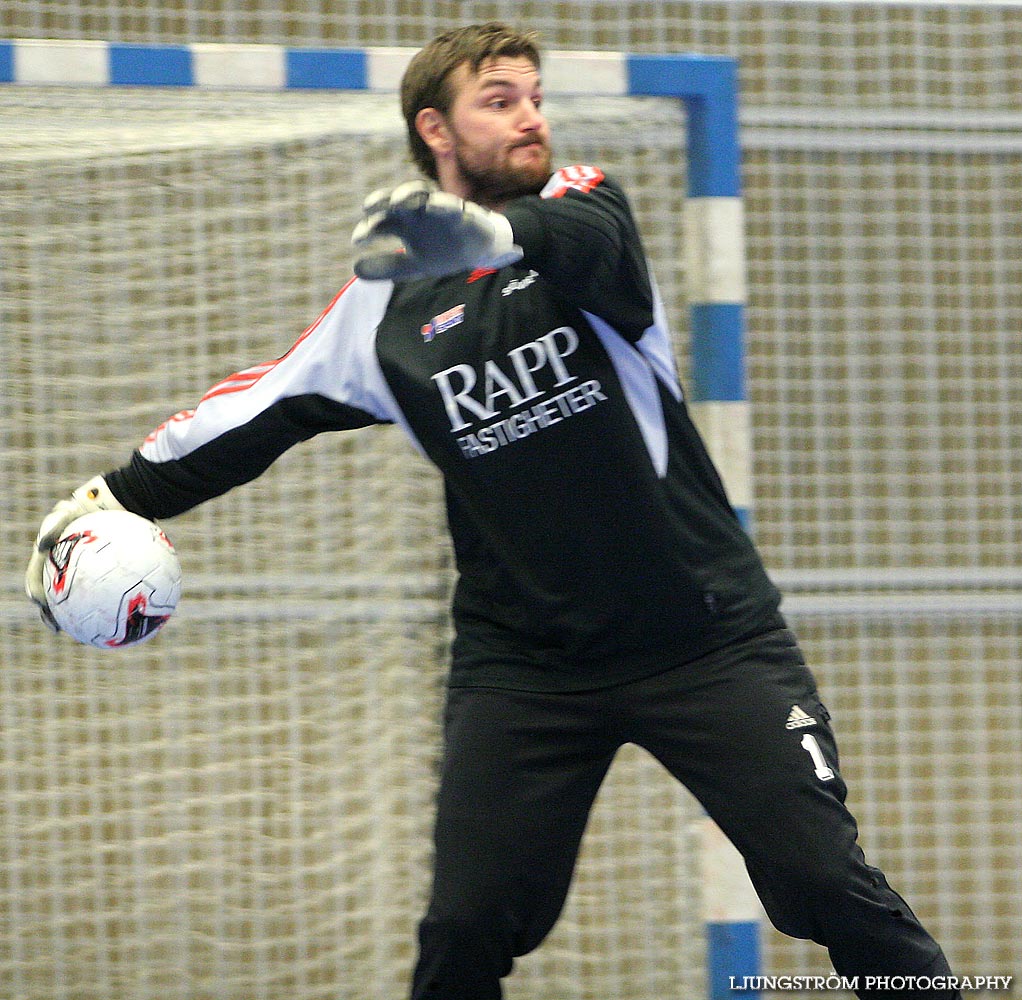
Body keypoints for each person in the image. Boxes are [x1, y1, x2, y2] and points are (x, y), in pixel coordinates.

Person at [26, 22, 960, 1000]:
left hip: (703, 640)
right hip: (524, 667)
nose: (530, 117)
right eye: (499, 100)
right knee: (465, 926)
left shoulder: (582, 213)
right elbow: (250, 414)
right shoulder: (383, 310)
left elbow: (576, 237)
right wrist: (103, 502)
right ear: (435, 128)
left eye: (535, 97)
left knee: (824, 884)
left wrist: (483, 235)